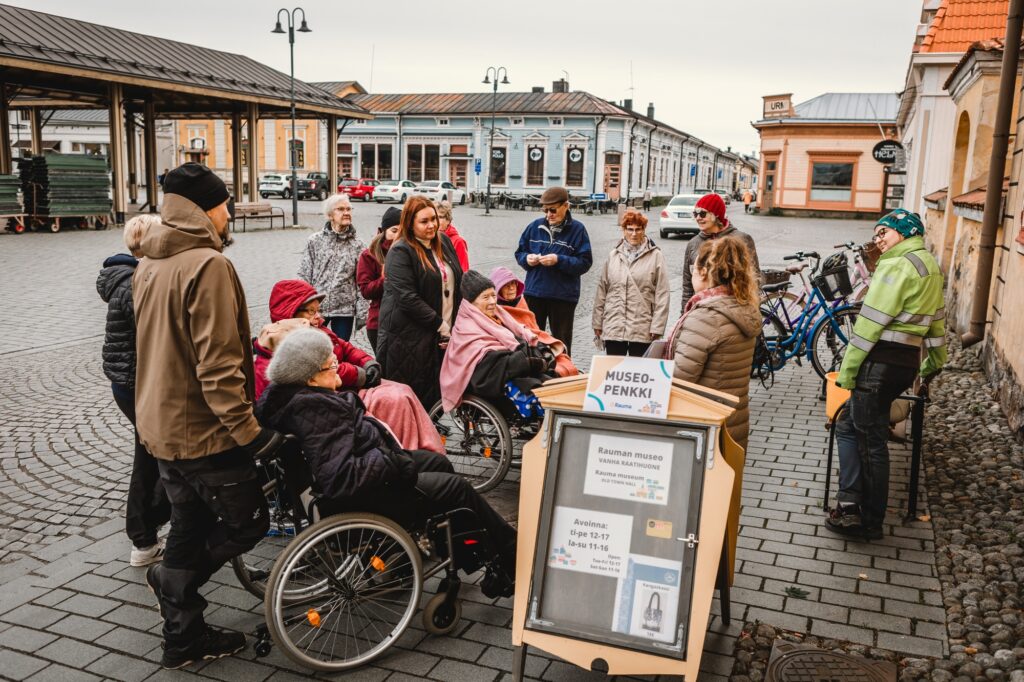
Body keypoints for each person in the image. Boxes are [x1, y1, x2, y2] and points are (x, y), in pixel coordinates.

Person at [133, 163, 284, 669]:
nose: (229, 215)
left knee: (188, 523)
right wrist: (251, 433)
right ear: (206, 209)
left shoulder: (149, 261)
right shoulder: (207, 265)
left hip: (160, 425)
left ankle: (184, 640)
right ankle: (173, 585)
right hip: (203, 431)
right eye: (224, 205)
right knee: (249, 522)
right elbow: (218, 366)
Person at [255, 328, 516, 597]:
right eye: (331, 365)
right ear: (310, 377)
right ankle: (510, 555)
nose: (338, 369)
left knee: (438, 464)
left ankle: (461, 554)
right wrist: (392, 461)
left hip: (365, 478)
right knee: (456, 488)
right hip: (365, 496)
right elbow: (342, 476)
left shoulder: (291, 398)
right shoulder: (319, 410)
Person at [827, 210, 946, 541]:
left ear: (905, 233)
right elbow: (937, 320)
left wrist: (847, 373)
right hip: (904, 364)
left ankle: (868, 522)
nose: (878, 239)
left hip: (878, 364)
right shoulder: (929, 265)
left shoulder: (896, 265)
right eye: (876, 234)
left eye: (885, 232)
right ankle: (849, 501)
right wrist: (935, 359)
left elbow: (868, 325)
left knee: (870, 443)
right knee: (850, 424)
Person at [253, 278, 444, 454]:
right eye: (311, 311)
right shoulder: (292, 345)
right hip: (330, 400)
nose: (318, 317)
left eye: (318, 310)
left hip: (341, 390)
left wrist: (367, 362)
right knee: (394, 399)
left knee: (403, 390)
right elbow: (326, 369)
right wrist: (359, 373)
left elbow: (345, 347)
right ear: (290, 313)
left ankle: (422, 449)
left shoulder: (317, 329)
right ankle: (404, 452)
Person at [96, 214, 171, 567]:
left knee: (151, 453)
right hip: (137, 383)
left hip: (128, 381)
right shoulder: (136, 282)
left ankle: (147, 533)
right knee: (151, 456)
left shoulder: (128, 277)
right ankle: (143, 538)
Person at [665, 236, 761, 453]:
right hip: (732, 419)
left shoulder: (707, 317)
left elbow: (680, 379)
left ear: (705, 272)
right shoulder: (741, 306)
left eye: (694, 267)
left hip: (704, 424)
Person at [377, 196, 464, 409]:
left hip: (440, 333)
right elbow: (407, 297)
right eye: (424, 221)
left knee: (435, 391)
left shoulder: (443, 241)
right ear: (410, 223)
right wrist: (440, 324)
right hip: (408, 337)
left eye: (434, 219)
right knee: (413, 398)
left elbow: (458, 278)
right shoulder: (401, 251)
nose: (432, 225)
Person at [440, 270, 556, 416]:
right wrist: (525, 362)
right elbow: (487, 362)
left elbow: (516, 337)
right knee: (537, 390)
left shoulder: (496, 314)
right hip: (486, 380)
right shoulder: (467, 327)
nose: (492, 302)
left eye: (494, 295)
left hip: (506, 370)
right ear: (472, 303)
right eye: (486, 297)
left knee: (552, 382)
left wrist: (537, 351)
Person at [514, 186, 593, 355]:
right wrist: (526, 259)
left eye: (553, 210)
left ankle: (564, 375)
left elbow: (585, 263)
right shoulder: (534, 226)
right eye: (545, 210)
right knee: (532, 339)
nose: (548, 214)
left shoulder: (578, 230)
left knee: (562, 342)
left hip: (563, 296)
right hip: (535, 293)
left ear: (566, 206)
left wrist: (559, 260)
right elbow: (520, 252)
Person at [592, 208, 670, 357]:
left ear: (644, 230)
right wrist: (597, 322)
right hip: (614, 323)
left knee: (638, 374)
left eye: (638, 229)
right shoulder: (613, 255)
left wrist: (657, 327)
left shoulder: (656, 256)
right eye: (630, 229)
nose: (634, 234)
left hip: (641, 326)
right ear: (623, 230)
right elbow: (602, 289)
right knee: (614, 372)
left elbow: (662, 293)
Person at [297, 193, 366, 341]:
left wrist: (362, 312)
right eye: (340, 209)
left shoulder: (358, 245)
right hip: (316, 308)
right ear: (330, 215)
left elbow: (362, 280)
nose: (346, 212)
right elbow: (304, 274)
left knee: (340, 350)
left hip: (344, 310)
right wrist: (302, 305)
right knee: (313, 347)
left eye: (349, 209)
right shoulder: (315, 241)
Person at [679, 193, 760, 313]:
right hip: (701, 313)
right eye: (695, 214)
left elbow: (754, 279)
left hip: (734, 312)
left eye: (702, 213)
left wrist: (752, 312)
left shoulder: (741, 239)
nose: (698, 218)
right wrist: (684, 315)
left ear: (717, 215)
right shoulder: (693, 244)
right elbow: (687, 286)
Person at [490, 266, 578, 377]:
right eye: (506, 286)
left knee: (564, 362)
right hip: (517, 350)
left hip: (534, 342)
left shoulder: (521, 301)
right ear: (497, 289)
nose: (512, 288)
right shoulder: (495, 310)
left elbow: (533, 328)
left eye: (513, 284)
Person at [356, 206, 401, 353]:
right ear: (382, 231)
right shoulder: (369, 255)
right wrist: (385, 278)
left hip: (404, 324)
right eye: (394, 231)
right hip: (379, 323)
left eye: (402, 231)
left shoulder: (409, 252)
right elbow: (366, 290)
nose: (398, 236)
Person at [436, 200, 469, 272]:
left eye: (440, 217)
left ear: (448, 220)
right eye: (435, 217)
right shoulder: (430, 239)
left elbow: (464, 271)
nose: (436, 221)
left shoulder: (458, 242)